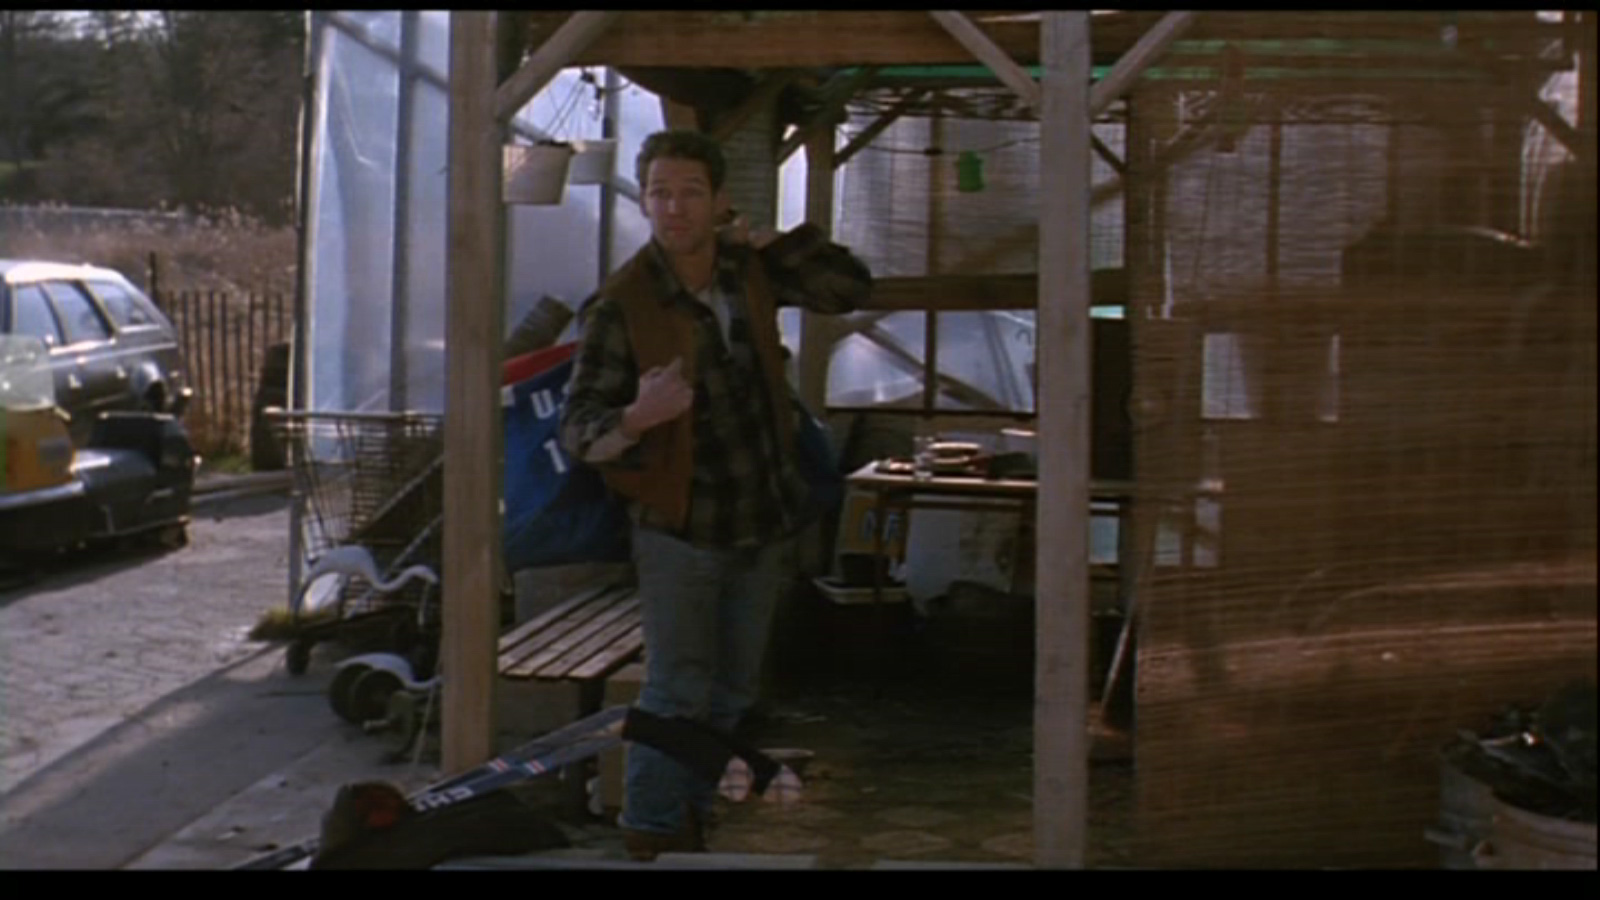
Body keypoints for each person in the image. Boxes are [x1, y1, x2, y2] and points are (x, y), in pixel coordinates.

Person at [559, 129, 870, 861]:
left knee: (732, 692)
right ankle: (650, 832)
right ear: (645, 202)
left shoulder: (746, 271)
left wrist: (777, 246)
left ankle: (692, 824)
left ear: (719, 200)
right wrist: (637, 418)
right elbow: (577, 429)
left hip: (760, 518)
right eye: (660, 193)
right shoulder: (623, 304)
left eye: (691, 193)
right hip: (679, 528)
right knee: (676, 692)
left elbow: (851, 289)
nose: (674, 208)